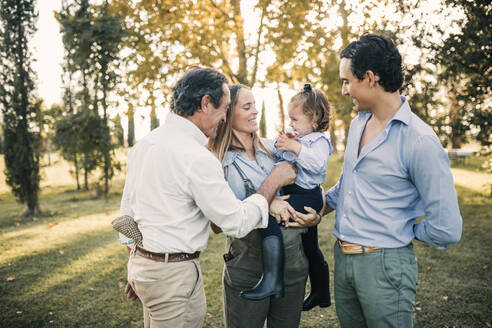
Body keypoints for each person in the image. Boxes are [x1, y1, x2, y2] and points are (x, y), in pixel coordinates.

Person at [118, 67, 297, 328]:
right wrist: (273, 182)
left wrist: (138, 267)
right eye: (224, 108)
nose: (223, 117)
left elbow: (126, 217)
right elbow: (234, 222)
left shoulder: (145, 144)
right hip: (174, 277)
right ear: (205, 103)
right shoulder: (196, 156)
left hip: (145, 268)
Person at [323, 34, 463, 327]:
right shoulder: (358, 122)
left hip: (385, 267)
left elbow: (447, 227)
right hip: (343, 260)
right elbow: (349, 185)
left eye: (347, 81)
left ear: (370, 78)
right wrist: (316, 208)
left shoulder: (420, 140)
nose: (344, 90)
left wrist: (402, 232)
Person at [208, 84, 322, 328]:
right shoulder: (217, 162)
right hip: (248, 268)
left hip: (293, 265)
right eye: (247, 107)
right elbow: (217, 225)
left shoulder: (274, 149)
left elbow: (314, 186)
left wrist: (316, 216)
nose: (254, 113)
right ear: (228, 114)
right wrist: (268, 199)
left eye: (255, 106)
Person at [239, 83, 333, 312]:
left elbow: (317, 163)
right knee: (310, 246)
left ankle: (273, 279)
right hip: (300, 193)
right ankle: (321, 291)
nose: (291, 124)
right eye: (289, 119)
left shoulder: (319, 141)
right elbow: (281, 156)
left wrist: (296, 148)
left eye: (295, 120)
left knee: (264, 215)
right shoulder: (300, 139)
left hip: (307, 195)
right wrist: (284, 144)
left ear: (314, 119)